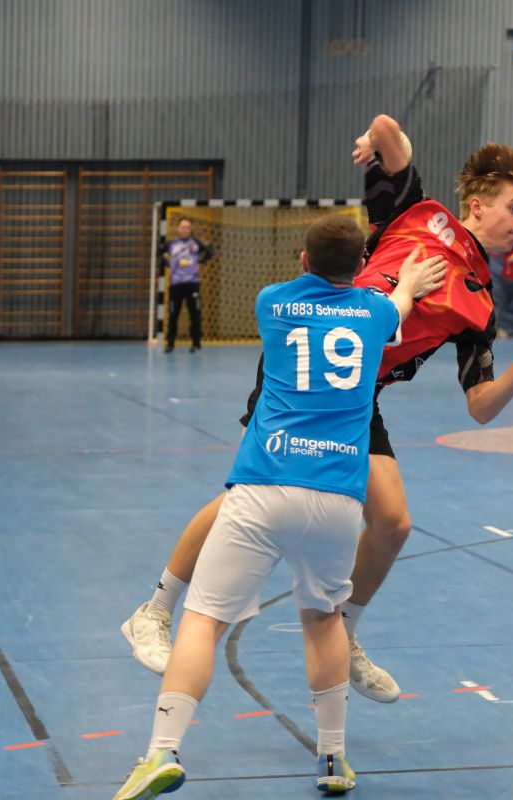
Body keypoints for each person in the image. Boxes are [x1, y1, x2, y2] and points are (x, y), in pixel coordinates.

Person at [121, 114, 513, 704]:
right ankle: (154, 610)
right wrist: (372, 139)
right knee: (245, 500)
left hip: (357, 395)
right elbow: (388, 130)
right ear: (478, 206)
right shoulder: (416, 212)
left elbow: (480, 406)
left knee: (394, 523)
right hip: (306, 366)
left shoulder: (480, 302)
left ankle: (346, 633)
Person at [111, 214, 447, 800]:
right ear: (360, 267)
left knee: (204, 620)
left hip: (265, 485)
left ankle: (162, 751)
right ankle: (332, 758)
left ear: (303, 261)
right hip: (338, 499)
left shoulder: (272, 302)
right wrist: (411, 283)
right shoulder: (374, 313)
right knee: (324, 621)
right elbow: (397, 304)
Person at [163, 217, 212, 353]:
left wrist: (200, 261)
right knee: (173, 314)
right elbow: (159, 253)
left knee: (195, 314)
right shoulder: (171, 244)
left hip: (192, 283)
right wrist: (166, 264)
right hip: (176, 284)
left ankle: (196, 343)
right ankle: (170, 343)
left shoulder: (195, 243)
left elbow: (209, 252)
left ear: (190, 230)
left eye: (187, 227)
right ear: (178, 228)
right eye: (183, 227)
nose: (185, 230)